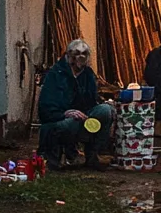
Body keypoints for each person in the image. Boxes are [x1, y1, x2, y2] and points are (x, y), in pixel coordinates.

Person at [38, 39, 113, 170]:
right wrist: (65, 113)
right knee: (70, 123)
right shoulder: (55, 74)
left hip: (83, 116)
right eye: (77, 53)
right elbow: (45, 108)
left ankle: (94, 155)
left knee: (105, 110)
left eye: (84, 54)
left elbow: (92, 101)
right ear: (69, 55)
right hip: (60, 119)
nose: (81, 57)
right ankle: (59, 157)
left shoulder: (88, 74)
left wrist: (104, 105)